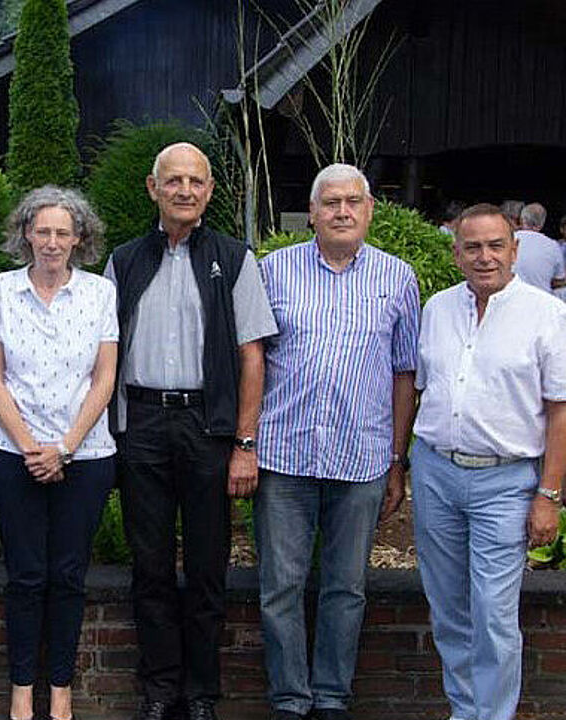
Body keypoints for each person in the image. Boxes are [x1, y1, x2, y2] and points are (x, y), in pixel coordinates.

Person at [104, 143, 277, 720]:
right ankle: (159, 690)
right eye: (173, 180)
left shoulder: (233, 257)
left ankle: (201, 694)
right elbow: (103, 356)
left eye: (195, 181)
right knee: (149, 566)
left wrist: (244, 443)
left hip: (207, 427)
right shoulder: (124, 261)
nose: (185, 190)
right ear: (152, 188)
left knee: (206, 569)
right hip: (143, 423)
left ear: (208, 191)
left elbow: (253, 356)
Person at [254, 164, 420, 720]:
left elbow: (404, 374)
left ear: (370, 209)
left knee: (346, 588)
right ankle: (288, 699)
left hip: (362, 458)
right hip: (284, 455)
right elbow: (250, 361)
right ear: (313, 212)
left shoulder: (398, 278)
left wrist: (397, 461)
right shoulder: (273, 271)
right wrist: (246, 443)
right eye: (330, 202)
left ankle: (330, 697)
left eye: (353, 201)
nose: (342, 211)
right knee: (280, 587)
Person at [412, 203, 566, 720]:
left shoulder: (548, 315)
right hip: (436, 473)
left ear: (516, 250)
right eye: (472, 247)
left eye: (495, 245)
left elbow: (559, 411)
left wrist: (548, 495)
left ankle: (493, 715)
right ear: (455, 253)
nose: (485, 257)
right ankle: (465, 710)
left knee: (495, 614)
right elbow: (421, 389)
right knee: (449, 611)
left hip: (506, 481)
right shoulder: (436, 309)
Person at [0, 186, 117, 720]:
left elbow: (103, 378)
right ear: (26, 234)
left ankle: (60, 689)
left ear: (79, 238)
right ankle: (20, 688)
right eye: (43, 231)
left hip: (85, 455)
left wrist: (64, 447)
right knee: (26, 575)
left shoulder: (100, 294)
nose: (53, 242)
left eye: (63, 232)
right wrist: (33, 446)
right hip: (13, 455)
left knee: (68, 575)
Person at [512, 202, 566, 293]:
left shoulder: (507, 239)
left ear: (521, 220)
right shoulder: (553, 246)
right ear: (542, 224)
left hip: (509, 298)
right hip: (541, 301)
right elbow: (559, 281)